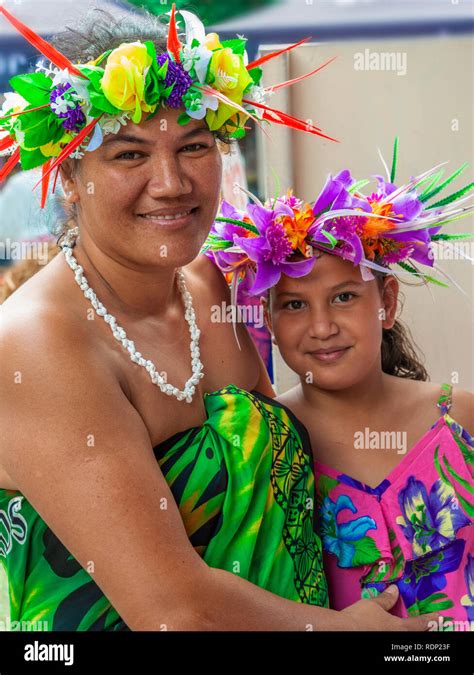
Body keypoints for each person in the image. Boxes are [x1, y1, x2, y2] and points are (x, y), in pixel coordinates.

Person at [0, 5, 428, 632]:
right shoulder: (34, 348)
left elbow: (283, 439)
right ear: (68, 175)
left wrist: (428, 425)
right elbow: (174, 611)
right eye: (129, 154)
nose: (171, 183)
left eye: (194, 146)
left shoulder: (204, 283)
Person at [204, 142, 474, 625]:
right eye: (294, 305)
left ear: (386, 303)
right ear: (267, 317)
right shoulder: (268, 444)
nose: (322, 326)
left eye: (344, 297)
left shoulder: (461, 419)